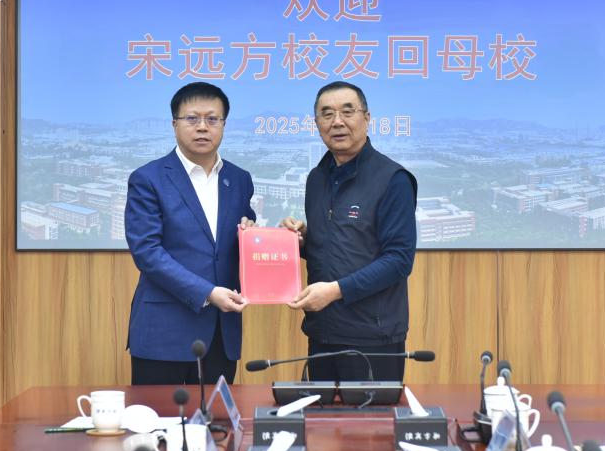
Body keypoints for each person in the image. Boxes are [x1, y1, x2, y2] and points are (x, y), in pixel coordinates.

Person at [281, 81, 417, 382]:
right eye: (327, 114)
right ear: (317, 124)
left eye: (347, 111)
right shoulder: (317, 178)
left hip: (374, 337)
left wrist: (334, 291)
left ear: (366, 118)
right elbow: (335, 246)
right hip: (322, 331)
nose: (337, 122)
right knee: (320, 413)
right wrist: (300, 241)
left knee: (373, 415)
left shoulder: (393, 179)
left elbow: (399, 260)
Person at [125, 82, 256, 385]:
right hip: (163, 332)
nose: (202, 127)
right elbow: (147, 253)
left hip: (221, 333)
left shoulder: (239, 179)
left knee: (217, 415)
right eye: (192, 118)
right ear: (174, 124)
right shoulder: (148, 178)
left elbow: (238, 239)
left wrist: (251, 234)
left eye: (212, 119)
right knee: (159, 416)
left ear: (223, 125)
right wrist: (207, 293)